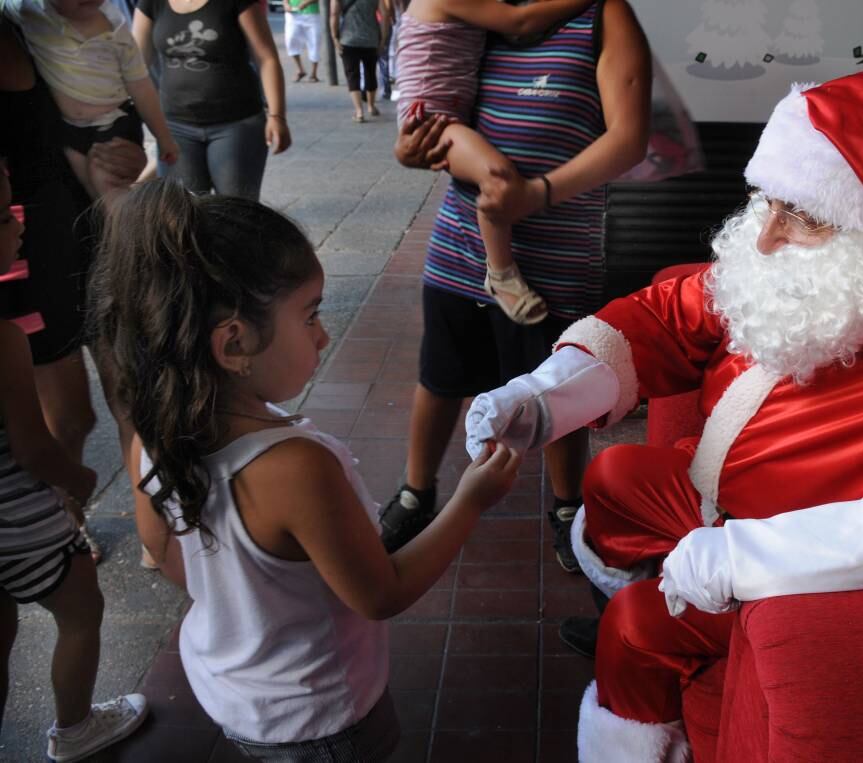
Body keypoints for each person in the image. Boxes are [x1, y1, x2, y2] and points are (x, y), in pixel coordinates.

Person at [464, 71, 863, 760]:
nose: (763, 239)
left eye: (804, 215)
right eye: (768, 201)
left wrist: (753, 558)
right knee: (613, 480)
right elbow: (667, 315)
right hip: (712, 500)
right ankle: (655, 580)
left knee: (635, 626)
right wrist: (544, 393)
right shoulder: (802, 278)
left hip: (774, 559)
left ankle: (639, 721)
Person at [88, 180, 522, 759]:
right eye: (310, 315)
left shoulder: (154, 428)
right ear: (233, 343)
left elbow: (168, 557)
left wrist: (246, 593)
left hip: (234, 691)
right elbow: (381, 594)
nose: (324, 333)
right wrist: (470, 500)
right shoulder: (296, 467)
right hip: (320, 716)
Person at [384, 0, 651, 573]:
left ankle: (565, 508)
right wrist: (410, 150)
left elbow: (629, 138)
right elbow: (435, 103)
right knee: (440, 375)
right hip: (463, 241)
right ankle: (415, 493)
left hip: (559, 249)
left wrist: (539, 193)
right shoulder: (480, 16)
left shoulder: (604, 16)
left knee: (557, 385)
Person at [0, 163, 149, 763]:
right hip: (19, 515)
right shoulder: (4, 338)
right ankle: (76, 729)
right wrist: (78, 479)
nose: (18, 225)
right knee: (81, 608)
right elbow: (33, 447)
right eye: (5, 214)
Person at [0, 17, 148, 565]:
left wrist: (124, 148)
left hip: (90, 236)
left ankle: (155, 529)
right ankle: (60, 527)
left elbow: (104, 107)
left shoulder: (34, 22)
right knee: (70, 417)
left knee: (131, 394)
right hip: (25, 268)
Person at [394, 0, 597, 325]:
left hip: (452, 113)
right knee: (497, 177)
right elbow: (518, 21)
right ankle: (501, 274)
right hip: (433, 121)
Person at [3, 0, 176, 200]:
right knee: (95, 199)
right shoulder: (29, 11)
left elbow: (141, 86)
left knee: (109, 191)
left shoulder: (115, 26)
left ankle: (123, 228)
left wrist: (164, 138)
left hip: (113, 123)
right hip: (69, 130)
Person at [132, 0, 291, 199]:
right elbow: (136, 65)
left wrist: (277, 116)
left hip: (236, 124)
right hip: (175, 127)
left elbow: (266, 58)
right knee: (179, 212)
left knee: (234, 212)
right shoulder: (152, 4)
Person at [330, 0, 386, 122]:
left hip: (348, 39)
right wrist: (382, 39)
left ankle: (359, 111)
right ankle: (371, 106)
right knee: (370, 73)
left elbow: (334, 14)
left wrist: (334, 36)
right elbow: (384, 15)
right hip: (371, 39)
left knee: (352, 75)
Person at [283, 0, 320, 82]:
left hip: (312, 14)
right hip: (293, 13)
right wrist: (285, 4)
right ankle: (300, 69)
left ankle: (314, 73)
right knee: (290, 40)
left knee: (314, 42)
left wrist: (307, 2)